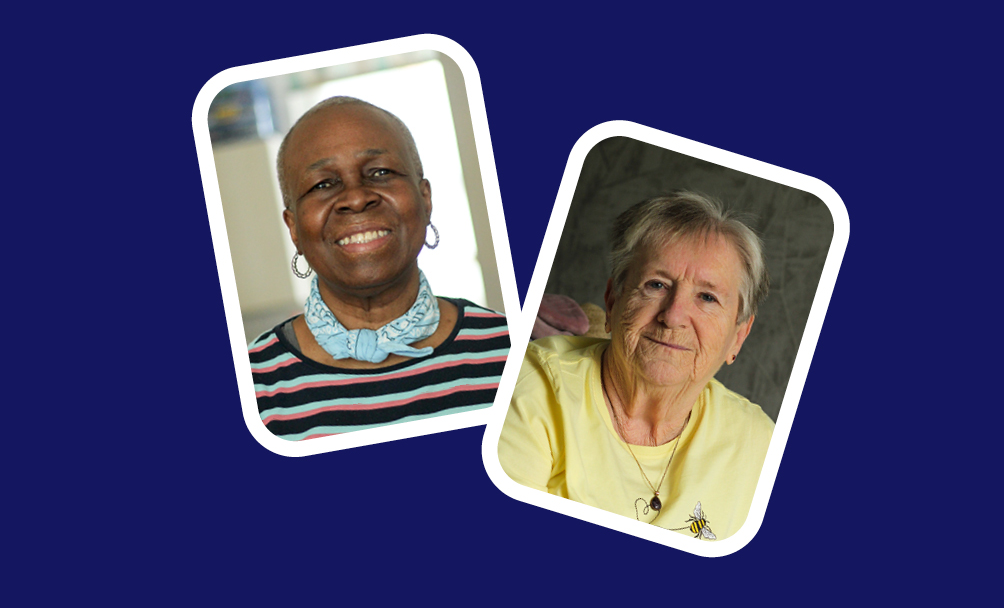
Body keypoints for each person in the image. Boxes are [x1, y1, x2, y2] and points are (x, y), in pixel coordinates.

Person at [498, 192, 773, 540]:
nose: (672, 316)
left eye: (707, 297)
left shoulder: (758, 444)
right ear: (613, 302)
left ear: (738, 337)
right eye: (656, 285)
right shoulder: (533, 385)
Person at [249, 97, 509, 441]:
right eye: (323, 184)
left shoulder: (513, 351)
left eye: (381, 172)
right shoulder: (253, 385)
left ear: (425, 199)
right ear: (294, 227)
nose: (356, 198)